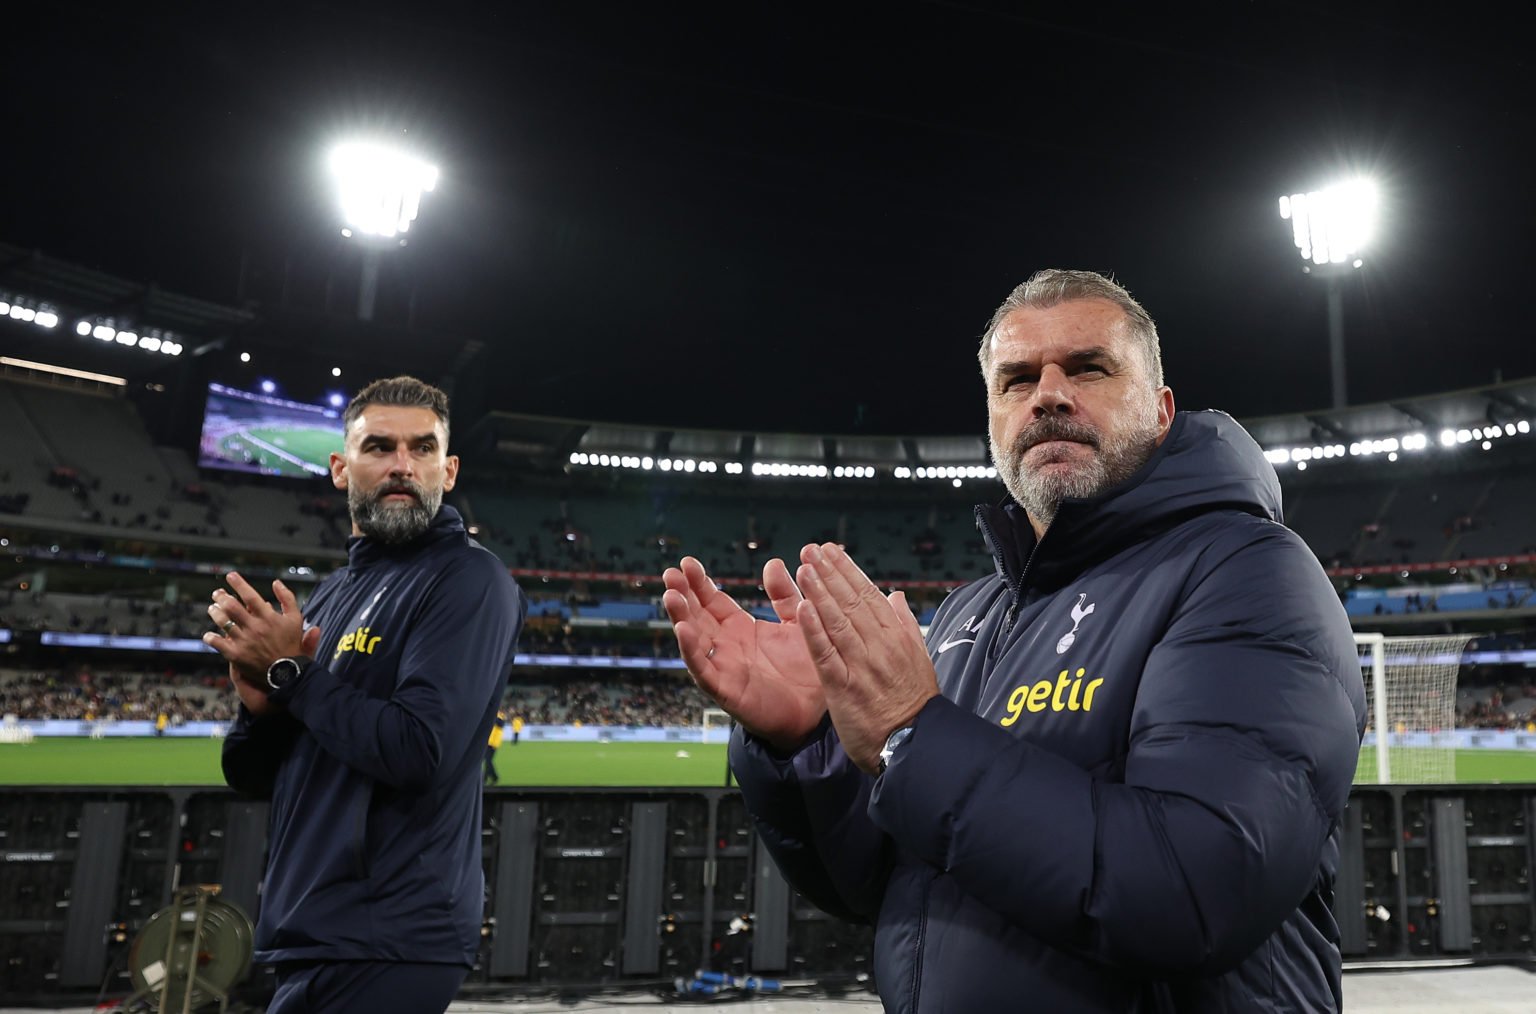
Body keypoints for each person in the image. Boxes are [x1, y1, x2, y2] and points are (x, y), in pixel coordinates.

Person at [663, 270, 1366, 1013]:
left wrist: (913, 735)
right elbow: (887, 885)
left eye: (1089, 368)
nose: (1048, 395)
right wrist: (810, 747)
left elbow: (1197, 889)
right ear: (994, 420)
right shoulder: (972, 612)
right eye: (1017, 379)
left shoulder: (1246, 569)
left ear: (1161, 411)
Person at [210, 375, 525, 1014]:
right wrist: (261, 707)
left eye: (423, 448)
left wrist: (294, 677)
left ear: (450, 469)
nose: (402, 465)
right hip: (312, 928)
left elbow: (417, 750)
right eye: (379, 446)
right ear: (339, 467)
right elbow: (250, 776)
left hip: (392, 932)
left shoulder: (470, 580)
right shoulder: (328, 596)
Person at [485, 708, 506, 785]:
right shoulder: (495, 716)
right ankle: (490, 777)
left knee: (488, 761)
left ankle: (492, 777)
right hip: (489, 743)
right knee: (488, 761)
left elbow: (501, 724)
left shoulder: (500, 716)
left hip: (493, 744)